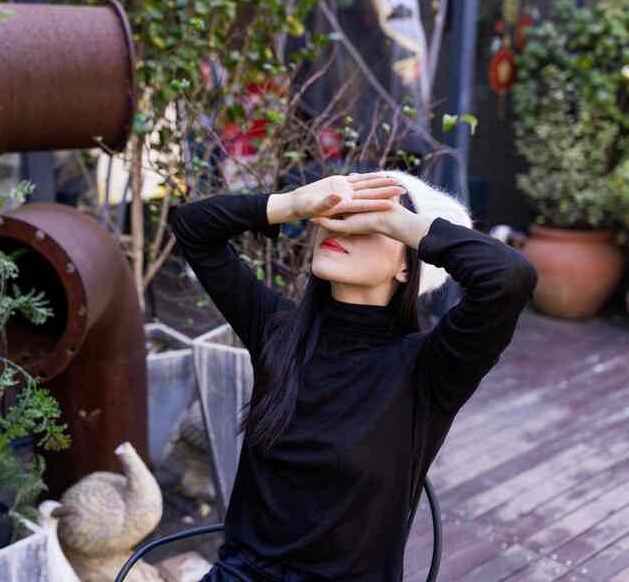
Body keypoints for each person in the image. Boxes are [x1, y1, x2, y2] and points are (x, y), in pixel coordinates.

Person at [166, 171, 538, 581]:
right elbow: (191, 226)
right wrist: (293, 204)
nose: (344, 225)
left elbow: (508, 277)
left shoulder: (428, 371)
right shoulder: (280, 332)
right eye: (344, 213)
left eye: (370, 221)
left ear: (406, 266)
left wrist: (394, 218)